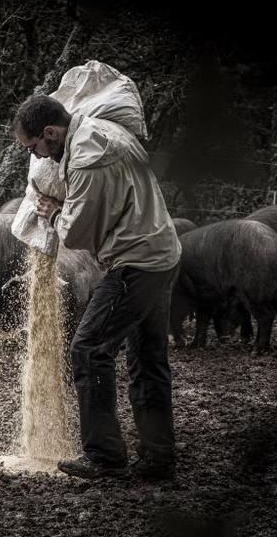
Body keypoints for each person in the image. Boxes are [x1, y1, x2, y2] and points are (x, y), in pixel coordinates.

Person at [13, 94, 181, 481]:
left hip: (136, 261)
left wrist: (54, 212)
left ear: (51, 132)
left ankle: (104, 456)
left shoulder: (88, 160)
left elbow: (76, 232)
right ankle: (158, 457)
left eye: (34, 147)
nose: (36, 158)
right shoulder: (97, 127)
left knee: (89, 348)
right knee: (148, 359)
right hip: (161, 252)